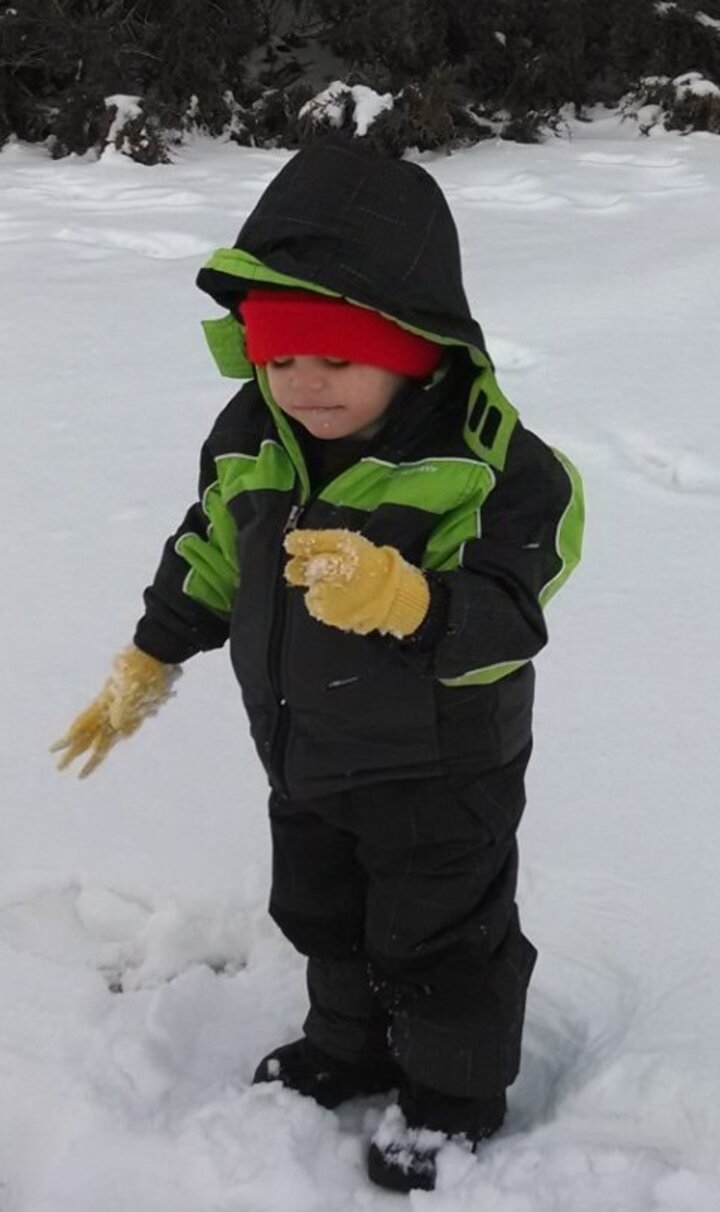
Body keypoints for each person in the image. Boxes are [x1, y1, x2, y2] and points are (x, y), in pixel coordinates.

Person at [52, 135, 584, 1193]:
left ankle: (449, 1102)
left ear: (414, 344)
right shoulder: (254, 434)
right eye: (280, 356)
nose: (303, 385)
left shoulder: (489, 467)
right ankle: (349, 1048)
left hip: (442, 768)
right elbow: (213, 546)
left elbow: (514, 610)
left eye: (335, 358)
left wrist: (411, 600)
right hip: (306, 752)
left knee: (440, 942)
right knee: (326, 915)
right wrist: (151, 656)